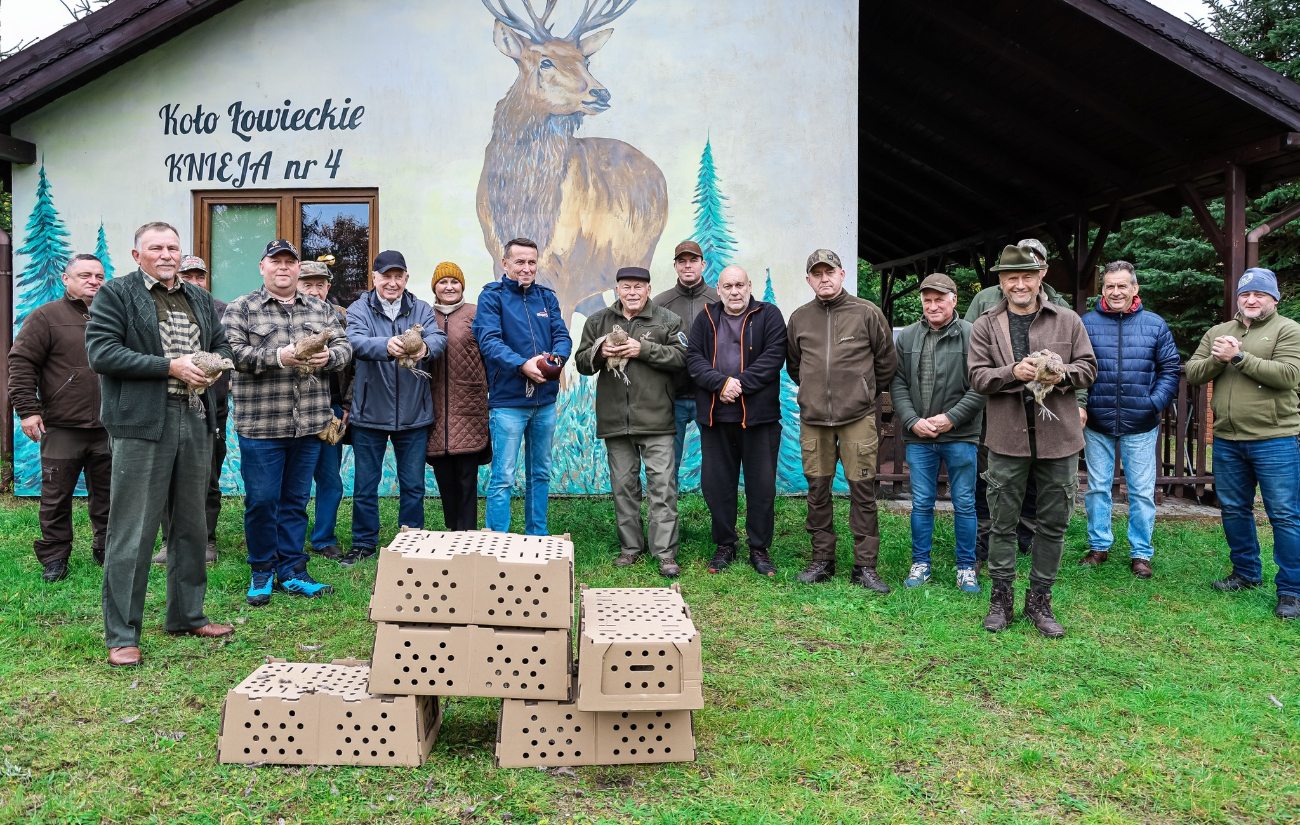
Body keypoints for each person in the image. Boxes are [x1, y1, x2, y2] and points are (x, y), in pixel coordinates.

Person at [85, 221, 234, 667]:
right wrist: (171, 366)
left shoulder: (199, 298)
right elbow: (102, 353)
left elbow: (221, 342)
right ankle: (122, 634)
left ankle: (187, 615)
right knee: (134, 530)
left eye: (172, 247)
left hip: (195, 416)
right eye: (156, 247)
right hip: (142, 423)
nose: (166, 254)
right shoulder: (116, 294)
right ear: (137, 255)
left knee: (190, 524)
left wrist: (214, 364)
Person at [968, 244, 1097, 638]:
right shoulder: (986, 325)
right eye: (1011, 278)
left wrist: (1063, 376)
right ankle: (1001, 598)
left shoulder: (1068, 319)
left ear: (1040, 276)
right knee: (1002, 523)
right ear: (1001, 282)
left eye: (1027, 276)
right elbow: (976, 377)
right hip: (1007, 438)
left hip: (1059, 437)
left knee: (1053, 523)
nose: (1019, 284)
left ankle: (1040, 600)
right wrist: (1012, 371)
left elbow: (1089, 368)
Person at [224, 241, 351, 606]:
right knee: (263, 500)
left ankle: (293, 570)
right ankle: (262, 570)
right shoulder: (242, 308)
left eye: (289, 262)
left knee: (296, 501)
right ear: (262, 267)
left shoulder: (320, 308)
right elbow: (233, 353)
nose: (283, 268)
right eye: (276, 262)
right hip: (262, 425)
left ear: (298, 269)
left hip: (309, 424)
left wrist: (329, 357)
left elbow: (345, 348)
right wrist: (280, 357)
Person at [1186, 267, 1300, 620]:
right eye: (1245, 294)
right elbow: (1193, 372)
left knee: (1283, 514)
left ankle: (1292, 591)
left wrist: (1238, 357)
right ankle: (1246, 573)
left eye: (1260, 295)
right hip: (1228, 439)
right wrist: (1218, 359)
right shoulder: (1220, 332)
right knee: (1235, 509)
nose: (1252, 300)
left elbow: (1289, 376)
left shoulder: (1288, 330)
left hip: (1275, 438)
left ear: (1274, 299)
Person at [786, 248, 897, 593]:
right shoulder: (800, 318)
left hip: (857, 418)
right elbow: (795, 366)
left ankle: (865, 566)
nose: (824, 279)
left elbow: (885, 362)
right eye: (817, 274)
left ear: (842, 274)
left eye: (829, 272)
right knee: (817, 491)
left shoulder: (867, 312)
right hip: (814, 420)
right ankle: (822, 560)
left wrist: (861, 393)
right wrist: (815, 392)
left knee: (862, 491)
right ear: (809, 280)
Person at [574, 266, 687, 576]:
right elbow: (582, 362)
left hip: (656, 420)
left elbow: (682, 359)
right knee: (624, 487)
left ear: (648, 290)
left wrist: (643, 349)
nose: (633, 292)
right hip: (615, 422)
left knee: (662, 487)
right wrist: (599, 353)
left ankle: (665, 553)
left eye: (639, 286)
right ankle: (630, 548)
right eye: (626, 287)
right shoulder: (599, 321)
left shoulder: (667, 320)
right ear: (618, 290)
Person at [8, 253, 110, 582]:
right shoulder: (46, 317)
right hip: (63, 425)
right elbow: (21, 363)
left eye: (99, 275)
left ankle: (106, 548)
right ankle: (55, 555)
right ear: (66, 280)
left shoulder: (113, 316)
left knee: (109, 493)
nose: (93, 280)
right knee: (56, 496)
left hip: (110, 425)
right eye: (85, 275)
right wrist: (27, 410)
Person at [1079, 261, 1181, 579]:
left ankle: (1141, 553)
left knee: (1140, 490)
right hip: (1097, 420)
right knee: (1097, 487)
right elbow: (1076, 366)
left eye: (1123, 285)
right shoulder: (1086, 323)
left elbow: (1170, 368)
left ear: (1135, 289)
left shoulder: (1154, 324)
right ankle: (1099, 546)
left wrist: (1155, 403)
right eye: (1110, 286)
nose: (1116, 291)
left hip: (1141, 421)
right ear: (1103, 289)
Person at [345, 250, 447, 563]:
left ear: (405, 278)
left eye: (398, 276)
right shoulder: (359, 308)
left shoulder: (421, 308)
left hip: (414, 412)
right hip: (369, 412)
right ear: (374, 278)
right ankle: (363, 544)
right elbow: (354, 341)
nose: (392, 282)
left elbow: (439, 339)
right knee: (364, 485)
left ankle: (412, 541)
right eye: (385, 276)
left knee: (414, 485)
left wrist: (426, 347)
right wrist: (385, 346)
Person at [685, 265, 786, 578]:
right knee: (717, 486)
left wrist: (739, 383)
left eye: (740, 285)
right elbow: (694, 359)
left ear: (749, 285)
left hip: (759, 418)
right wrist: (720, 384)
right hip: (716, 417)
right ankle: (725, 543)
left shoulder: (768, 315)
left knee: (761, 487)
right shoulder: (706, 318)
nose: (734, 291)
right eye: (728, 286)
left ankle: (759, 547)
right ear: (719, 289)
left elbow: (774, 356)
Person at [889, 273, 986, 594]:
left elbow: (981, 385)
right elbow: (898, 382)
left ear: (954, 300)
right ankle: (921, 563)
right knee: (921, 503)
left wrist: (951, 419)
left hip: (960, 436)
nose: (933, 306)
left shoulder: (973, 334)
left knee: (965, 503)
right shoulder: (907, 337)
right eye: (927, 300)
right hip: (919, 436)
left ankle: (965, 567)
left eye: (939, 300)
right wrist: (911, 419)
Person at [472, 238, 572, 535]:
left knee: (539, 473)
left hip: (545, 403)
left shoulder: (546, 298)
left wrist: (556, 359)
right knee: (503, 475)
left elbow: (562, 336)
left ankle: (537, 535)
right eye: (519, 262)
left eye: (531, 262)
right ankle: (497, 540)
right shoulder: (492, 297)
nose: (526, 268)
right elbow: (489, 341)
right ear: (505, 264)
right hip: (508, 403)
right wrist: (523, 364)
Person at [153, 255, 227, 567]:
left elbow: (231, 350)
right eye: (189, 276)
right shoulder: (156, 309)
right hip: (167, 406)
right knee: (168, 477)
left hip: (211, 409)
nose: (195, 282)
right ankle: (170, 541)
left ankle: (206, 539)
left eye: (200, 276)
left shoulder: (220, 310)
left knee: (208, 475)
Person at [426, 261, 491, 531]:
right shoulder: (425, 316)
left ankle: (469, 533)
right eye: (443, 282)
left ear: (462, 286)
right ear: (435, 287)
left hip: (469, 406)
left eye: (455, 282)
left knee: (467, 476)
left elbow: (490, 354)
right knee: (444, 475)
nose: (449, 287)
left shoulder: (477, 314)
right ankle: (453, 531)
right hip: (435, 408)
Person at [296, 259, 353, 559]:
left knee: (330, 477)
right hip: (291, 408)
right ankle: (288, 536)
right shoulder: (285, 317)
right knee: (295, 479)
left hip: (329, 408)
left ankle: (324, 537)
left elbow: (353, 364)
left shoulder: (341, 318)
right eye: (308, 284)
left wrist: (345, 405)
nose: (315, 290)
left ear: (328, 287)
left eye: (320, 284)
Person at [654, 240, 719, 479]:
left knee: (718, 464)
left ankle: (719, 515)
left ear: (703, 264)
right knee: (667, 468)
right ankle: (666, 517)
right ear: (675, 266)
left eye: (693, 261)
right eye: (682, 261)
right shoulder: (660, 304)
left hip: (711, 397)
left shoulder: (718, 301)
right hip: (672, 398)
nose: (688, 266)